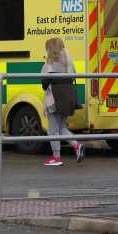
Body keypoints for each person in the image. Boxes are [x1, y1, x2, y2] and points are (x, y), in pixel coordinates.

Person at [42, 37, 84, 167]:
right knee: (61, 127)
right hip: (68, 98)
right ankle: (76, 145)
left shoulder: (49, 64)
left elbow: (44, 83)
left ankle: (56, 157)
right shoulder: (69, 61)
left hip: (55, 100)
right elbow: (74, 75)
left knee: (53, 130)